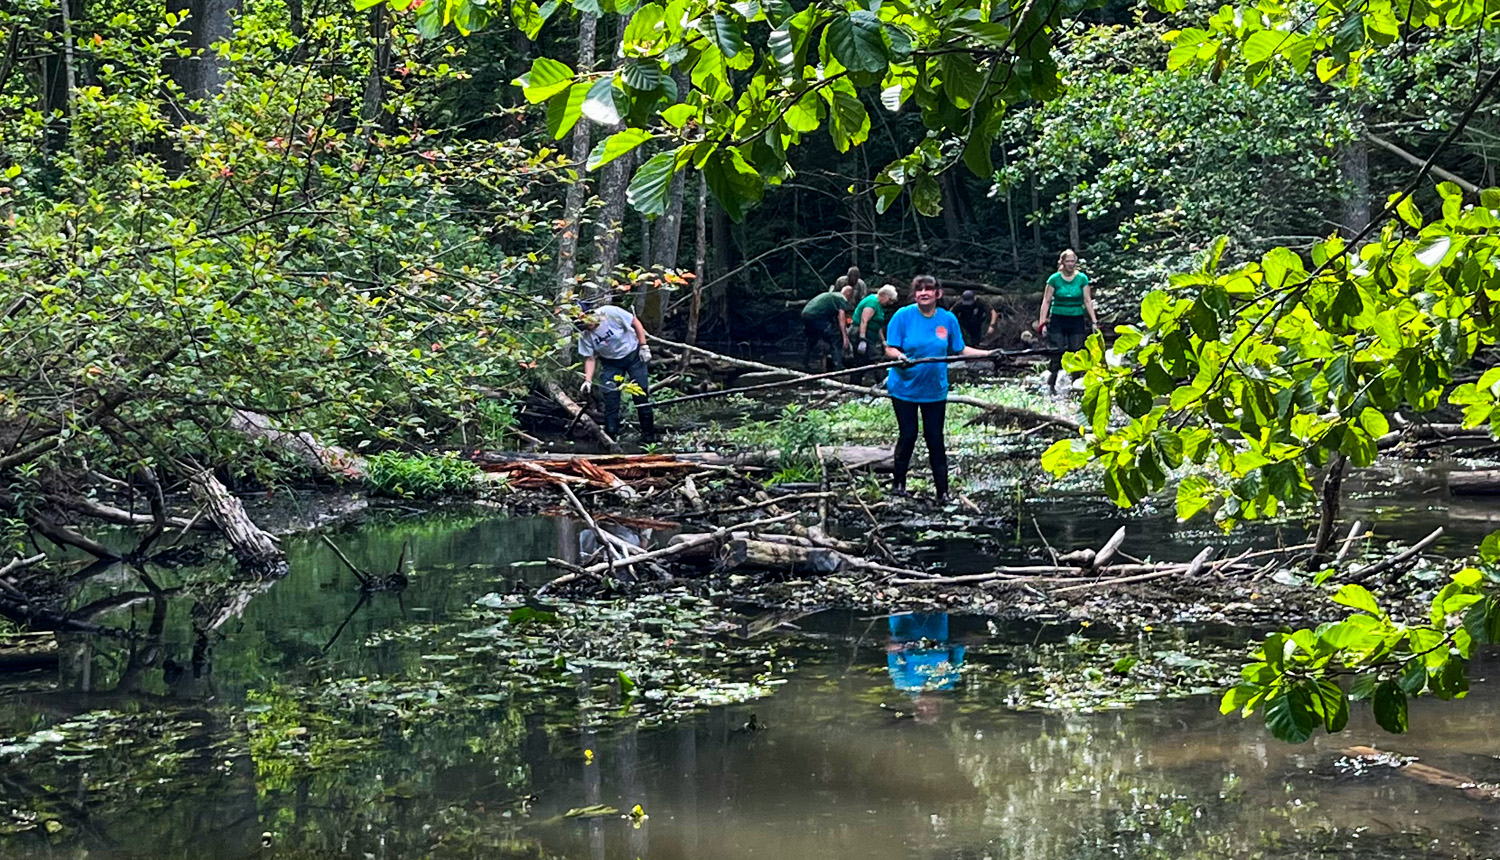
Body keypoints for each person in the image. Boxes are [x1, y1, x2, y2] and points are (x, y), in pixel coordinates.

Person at [884, 275, 993, 503]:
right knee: (908, 434)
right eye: (919, 290)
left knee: (935, 438)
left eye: (929, 289)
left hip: (934, 389)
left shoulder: (948, 319)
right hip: (904, 387)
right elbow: (890, 349)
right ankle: (899, 485)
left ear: (938, 293)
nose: (924, 293)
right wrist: (901, 356)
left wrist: (990, 354)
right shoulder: (902, 316)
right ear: (915, 294)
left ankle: (942, 492)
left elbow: (960, 350)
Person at [576, 303, 655, 442]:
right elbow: (589, 358)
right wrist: (587, 380)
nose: (588, 327)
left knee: (640, 393)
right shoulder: (585, 335)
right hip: (611, 363)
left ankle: (649, 436)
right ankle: (611, 437)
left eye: (588, 323)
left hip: (633, 355)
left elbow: (635, 322)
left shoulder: (610, 313)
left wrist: (644, 346)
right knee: (610, 396)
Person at [1037, 248, 1100, 394]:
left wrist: (1094, 321)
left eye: (1073, 261)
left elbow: (1087, 300)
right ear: (1062, 262)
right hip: (1058, 318)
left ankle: (1075, 385)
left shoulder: (1082, 279)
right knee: (1057, 350)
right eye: (1068, 261)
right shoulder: (1054, 279)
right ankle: (1051, 384)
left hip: (1076, 318)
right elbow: (1046, 301)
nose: (1071, 264)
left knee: (1076, 350)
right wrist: (1042, 322)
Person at [848, 284, 899, 384]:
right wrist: (862, 339)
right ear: (883, 295)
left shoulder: (879, 306)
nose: (890, 303)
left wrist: (883, 341)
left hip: (871, 334)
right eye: (889, 300)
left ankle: (874, 382)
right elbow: (864, 320)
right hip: (860, 332)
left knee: (869, 359)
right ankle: (857, 384)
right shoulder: (872, 302)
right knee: (869, 359)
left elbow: (877, 325)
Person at [800, 287, 851, 371]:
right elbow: (842, 318)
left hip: (806, 313)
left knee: (811, 340)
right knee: (834, 340)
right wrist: (845, 336)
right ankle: (838, 367)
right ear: (848, 294)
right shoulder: (842, 298)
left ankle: (804, 363)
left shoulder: (832, 297)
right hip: (817, 317)